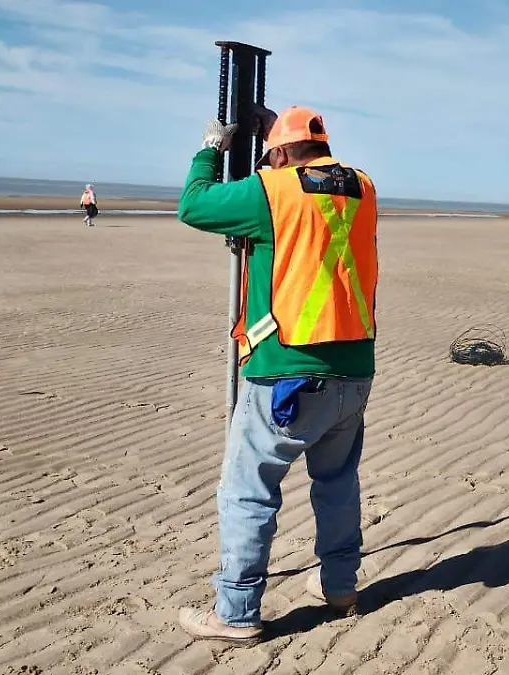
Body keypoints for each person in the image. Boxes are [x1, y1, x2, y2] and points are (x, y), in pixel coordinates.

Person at [175, 105, 379, 643]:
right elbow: (313, 198)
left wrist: (209, 150)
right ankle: (340, 586)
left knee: (247, 492)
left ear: (280, 154)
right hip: (354, 369)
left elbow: (193, 205)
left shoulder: (272, 190)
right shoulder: (362, 186)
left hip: (288, 371)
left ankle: (236, 612)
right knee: (337, 484)